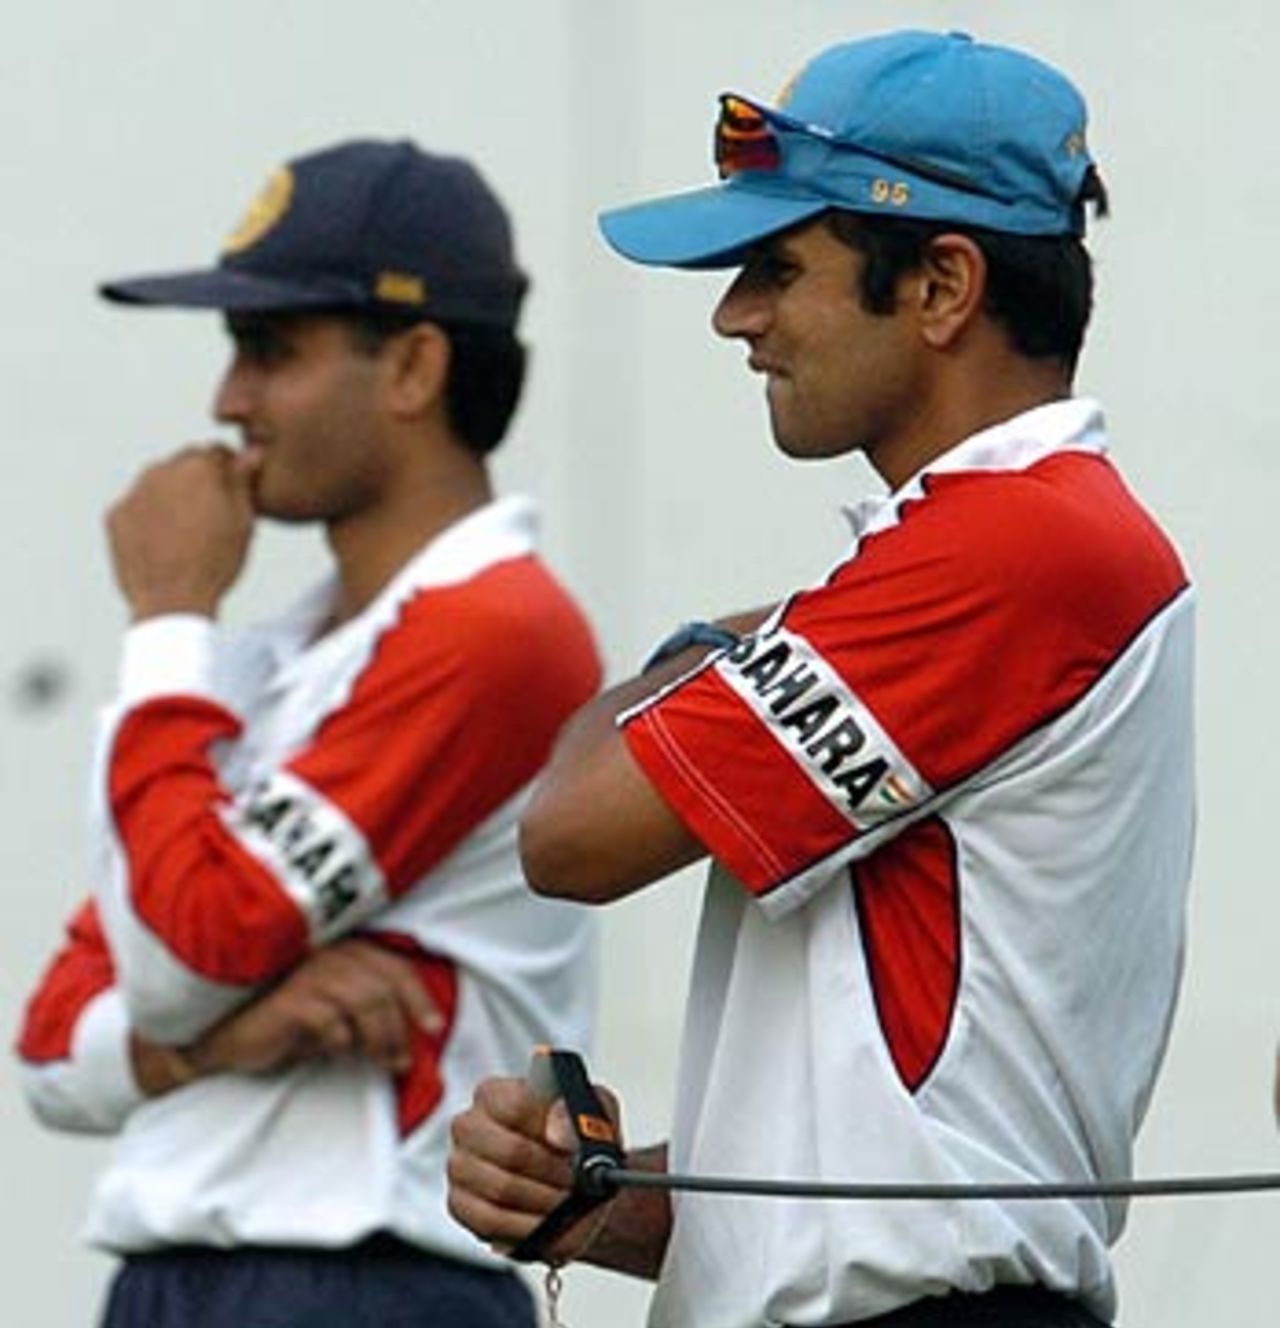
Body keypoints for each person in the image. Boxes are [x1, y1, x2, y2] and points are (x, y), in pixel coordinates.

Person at [446, 30, 1195, 1328]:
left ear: (944, 285)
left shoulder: (1021, 542)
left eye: (778, 267)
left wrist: (703, 649)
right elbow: (877, 1184)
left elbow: (568, 833)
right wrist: (592, 1198)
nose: (738, 316)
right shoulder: (1002, 548)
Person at [15, 138, 602, 1328]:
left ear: (414, 366)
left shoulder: (497, 623)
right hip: (186, 1278)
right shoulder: (275, 654)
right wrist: (225, 1038)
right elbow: (47, 1044)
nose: (228, 402)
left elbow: (194, 945)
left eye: (268, 351)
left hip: (367, 1280)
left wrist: (168, 614)